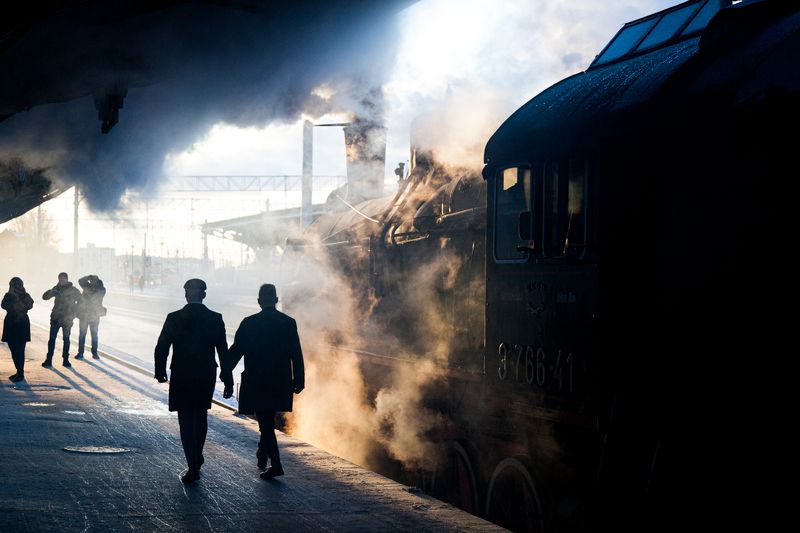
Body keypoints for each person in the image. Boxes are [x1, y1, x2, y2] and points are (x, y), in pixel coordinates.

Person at [221, 283, 304, 480]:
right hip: (280, 381)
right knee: (268, 420)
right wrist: (299, 379)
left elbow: (235, 353)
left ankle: (276, 465)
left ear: (259, 302)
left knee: (265, 421)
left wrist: (226, 377)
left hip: (256, 381)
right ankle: (262, 451)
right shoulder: (288, 322)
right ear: (276, 301)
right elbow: (296, 354)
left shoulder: (249, 323)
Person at [154, 279, 230, 483]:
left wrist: (160, 369)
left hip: (182, 373)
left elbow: (162, 346)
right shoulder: (215, 318)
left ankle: (192, 465)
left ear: (186, 294)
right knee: (200, 415)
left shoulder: (174, 317)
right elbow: (223, 350)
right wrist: (228, 378)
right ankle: (197, 455)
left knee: (185, 419)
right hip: (206, 374)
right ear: (204, 295)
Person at [42, 272, 82, 367]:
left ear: (67, 279)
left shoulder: (73, 290)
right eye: (60, 279)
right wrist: (51, 292)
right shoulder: (56, 289)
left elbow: (81, 301)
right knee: (52, 339)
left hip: (67, 318)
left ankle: (65, 360)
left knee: (66, 339)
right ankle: (49, 359)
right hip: (56, 318)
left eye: (64, 279)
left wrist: (74, 311)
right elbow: (44, 297)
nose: (62, 281)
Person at [2, 277, 34, 382]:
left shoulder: (25, 295)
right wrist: (11, 295)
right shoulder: (8, 295)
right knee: (14, 350)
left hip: (20, 324)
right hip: (12, 324)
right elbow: (3, 305)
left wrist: (16, 301)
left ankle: (20, 373)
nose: (17, 287)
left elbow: (29, 305)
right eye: (15, 285)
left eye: (18, 285)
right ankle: (18, 371)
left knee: (19, 350)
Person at [76, 275, 106, 360]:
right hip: (85, 315)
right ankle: (82, 353)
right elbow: (80, 280)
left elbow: (81, 281)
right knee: (83, 334)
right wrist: (89, 277)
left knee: (93, 335)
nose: (92, 282)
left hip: (93, 315)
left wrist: (90, 279)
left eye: (93, 280)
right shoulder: (88, 287)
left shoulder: (100, 289)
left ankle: (94, 353)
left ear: (97, 281)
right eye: (91, 280)